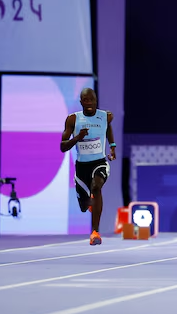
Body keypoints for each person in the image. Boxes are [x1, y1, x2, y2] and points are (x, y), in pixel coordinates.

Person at [60, 88, 117, 246]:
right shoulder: (73, 119)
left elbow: (107, 128)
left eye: (92, 100)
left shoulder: (106, 116)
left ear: (96, 100)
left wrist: (112, 146)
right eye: (86, 100)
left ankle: (95, 232)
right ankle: (90, 202)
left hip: (99, 162)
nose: (89, 103)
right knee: (85, 207)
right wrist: (78, 137)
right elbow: (62, 147)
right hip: (82, 167)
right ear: (81, 102)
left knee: (96, 187)